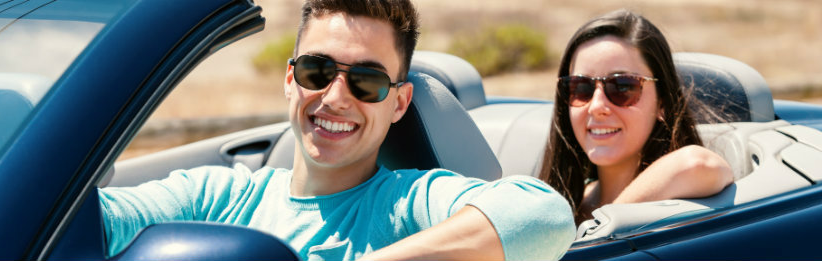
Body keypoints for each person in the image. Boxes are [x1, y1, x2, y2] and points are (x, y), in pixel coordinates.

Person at [100, 0, 576, 260]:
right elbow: (87, 221)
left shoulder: (406, 204)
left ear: (399, 103)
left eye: (367, 82)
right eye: (318, 70)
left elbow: (543, 216)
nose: (335, 98)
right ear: (290, 80)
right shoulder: (215, 196)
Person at [539, 9, 734, 224]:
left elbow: (699, 164)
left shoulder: (680, 193)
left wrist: (603, 228)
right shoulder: (561, 208)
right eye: (580, 88)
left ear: (662, 103)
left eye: (622, 87)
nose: (596, 106)